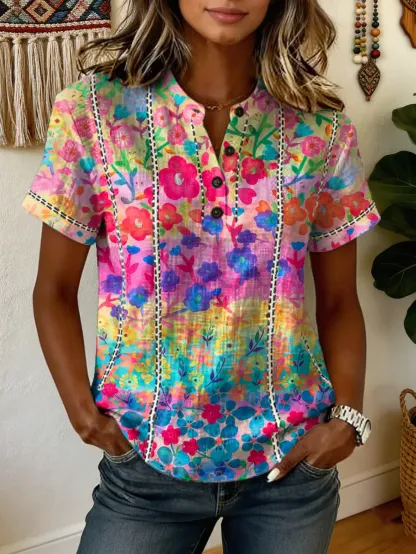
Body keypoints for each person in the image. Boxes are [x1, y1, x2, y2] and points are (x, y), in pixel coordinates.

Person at [23, 1, 380, 552]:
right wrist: (85, 416)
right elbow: (53, 290)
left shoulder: (321, 127)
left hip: (291, 461)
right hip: (146, 464)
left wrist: (347, 423)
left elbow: (337, 301)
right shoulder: (93, 114)